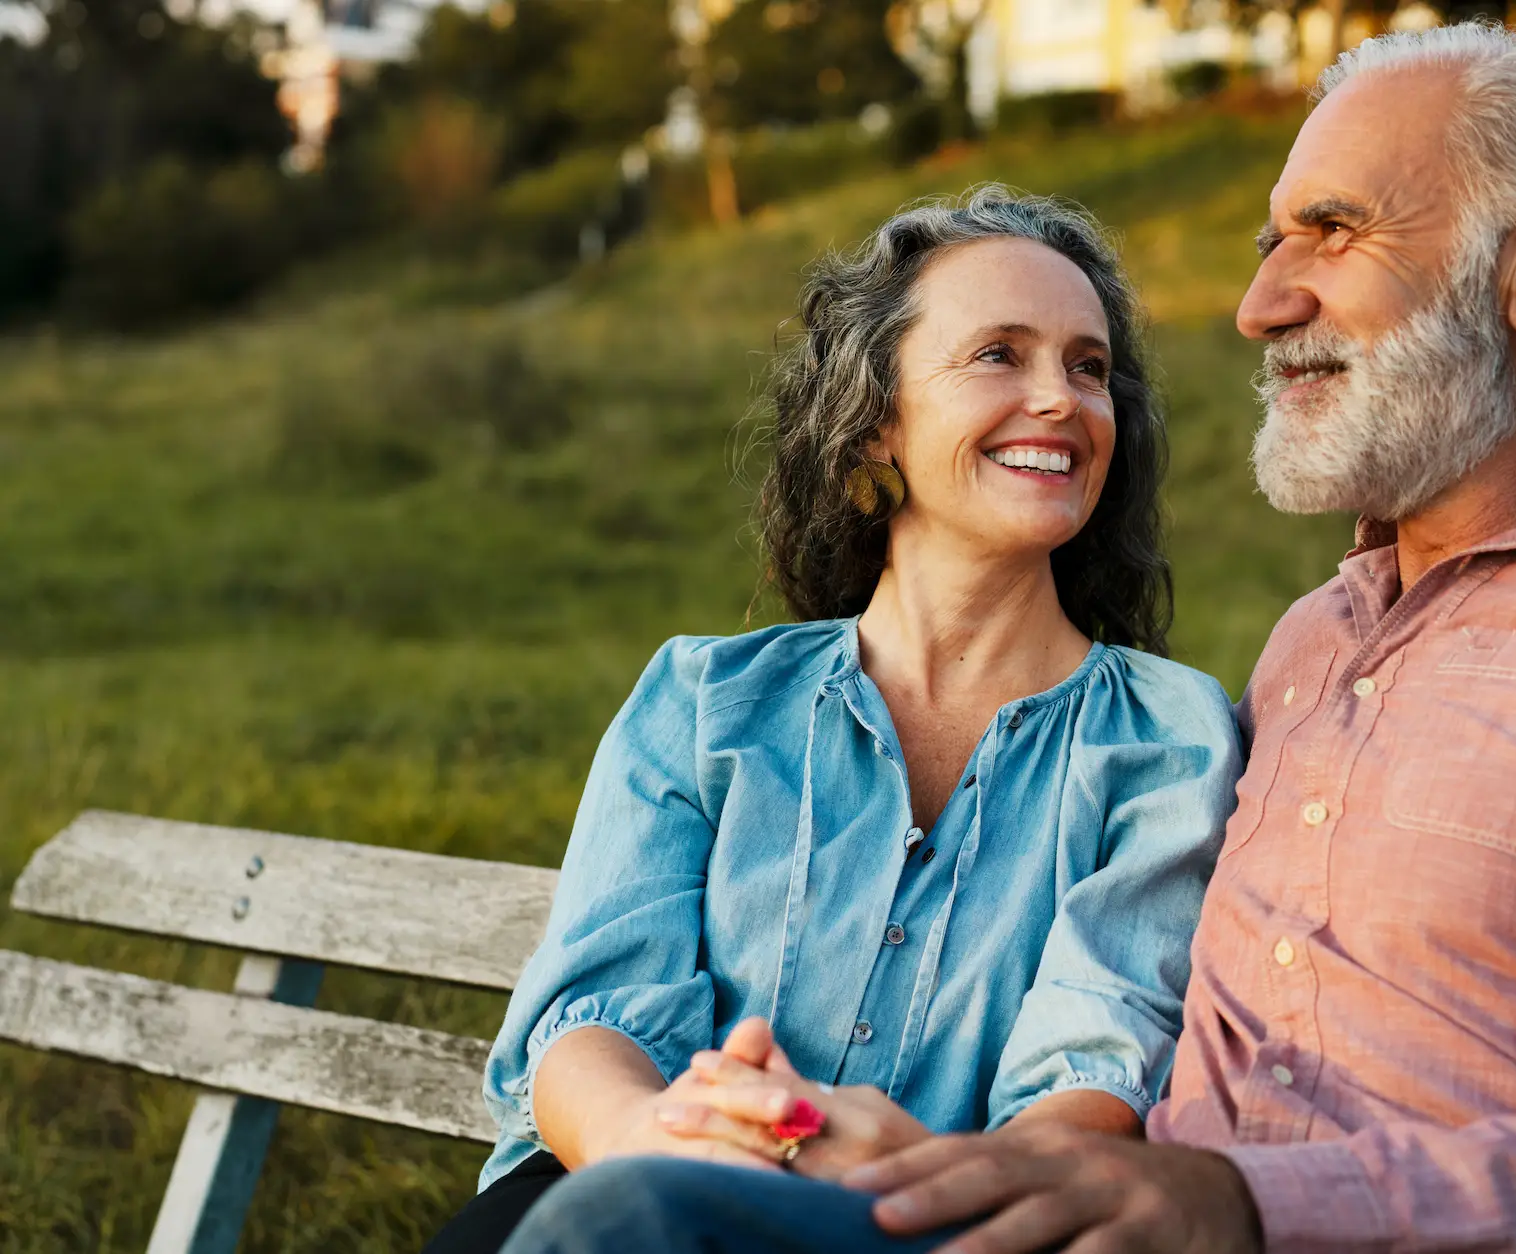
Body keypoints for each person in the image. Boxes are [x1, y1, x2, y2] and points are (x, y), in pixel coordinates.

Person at [495, 22, 1516, 1254]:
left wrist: (1230, 1200)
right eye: (1271, 242)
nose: (1258, 304)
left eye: (1333, 230)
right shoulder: (1315, 646)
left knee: (632, 1227)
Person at [421, 187, 1243, 1253]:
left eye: (1089, 368)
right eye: (999, 354)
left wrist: (874, 1167)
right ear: (874, 427)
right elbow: (590, 1018)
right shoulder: (705, 701)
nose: (1061, 399)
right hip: (622, 1191)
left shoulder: (1166, 738)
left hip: (937, 1226)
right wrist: (656, 1144)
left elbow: (1092, 1076)